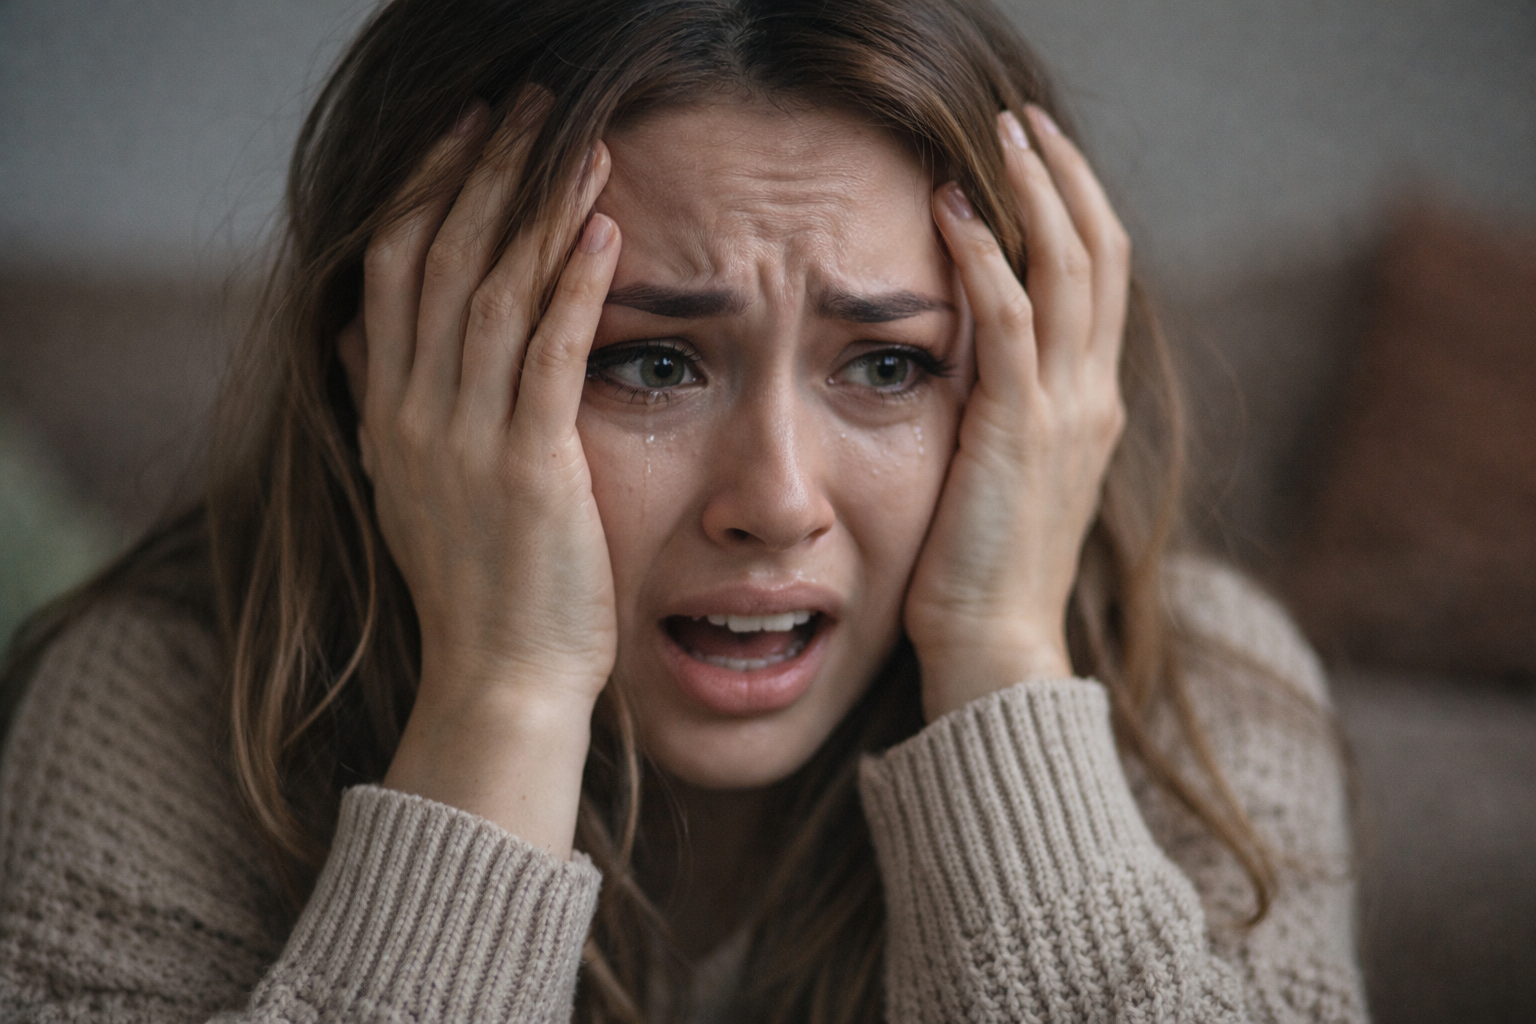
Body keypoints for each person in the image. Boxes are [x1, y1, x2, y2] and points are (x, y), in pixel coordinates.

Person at [0, 0, 1368, 1020]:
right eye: (647, 362)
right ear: (400, 376)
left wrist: (1001, 651)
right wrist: (505, 699)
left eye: (889, 365)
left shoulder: (1201, 679)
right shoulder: (155, 696)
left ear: (1038, 381)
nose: (774, 501)